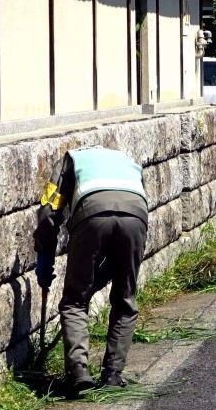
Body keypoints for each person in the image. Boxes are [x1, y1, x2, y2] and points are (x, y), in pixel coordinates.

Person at [33, 145, 148, 396]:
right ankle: (113, 375)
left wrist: (44, 257)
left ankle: (78, 374)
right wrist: (101, 276)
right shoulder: (127, 160)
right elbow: (126, 216)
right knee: (124, 300)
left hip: (91, 214)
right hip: (136, 216)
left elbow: (49, 211)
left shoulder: (70, 160)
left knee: (74, 300)